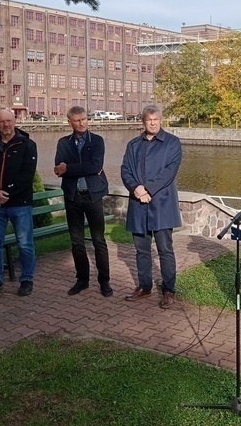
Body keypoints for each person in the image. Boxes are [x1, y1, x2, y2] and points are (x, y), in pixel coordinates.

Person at [121, 104, 182, 308]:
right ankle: (144, 286)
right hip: (138, 205)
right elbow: (125, 170)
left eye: (156, 119)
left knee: (165, 249)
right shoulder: (133, 145)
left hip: (162, 204)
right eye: (149, 120)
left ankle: (169, 290)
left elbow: (169, 172)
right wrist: (135, 189)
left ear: (161, 120)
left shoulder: (172, 143)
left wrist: (147, 189)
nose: (153, 122)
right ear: (143, 122)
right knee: (141, 250)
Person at [0, 109, 38, 298]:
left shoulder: (27, 145)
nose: (6, 125)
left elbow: (27, 175)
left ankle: (26, 279)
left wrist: (7, 193)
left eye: (9, 121)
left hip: (20, 203)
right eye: (1, 122)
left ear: (15, 121)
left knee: (25, 243)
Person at [54, 105, 113, 297]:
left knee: (98, 240)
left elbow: (96, 165)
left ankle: (104, 281)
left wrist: (68, 168)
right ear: (69, 122)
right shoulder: (63, 142)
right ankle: (82, 279)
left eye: (84, 119)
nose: (81, 123)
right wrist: (75, 168)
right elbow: (57, 168)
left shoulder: (96, 141)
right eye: (77, 120)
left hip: (93, 195)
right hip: (72, 196)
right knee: (77, 241)